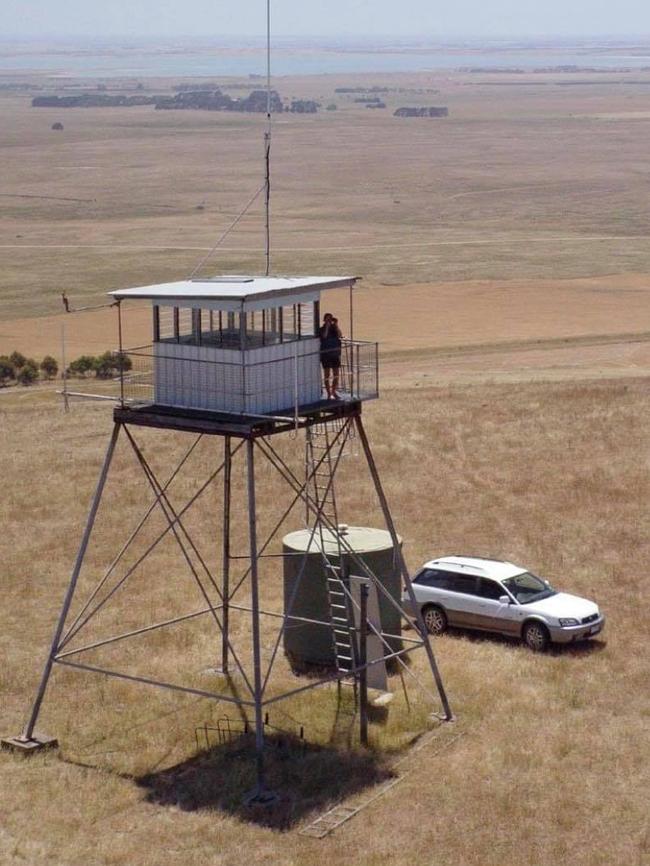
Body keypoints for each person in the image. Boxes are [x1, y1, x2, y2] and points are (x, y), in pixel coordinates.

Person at [319, 312, 342, 399]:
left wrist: (336, 325)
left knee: (336, 375)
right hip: (326, 355)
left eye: (330, 319)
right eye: (327, 319)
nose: (329, 321)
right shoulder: (321, 329)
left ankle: (334, 391)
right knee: (327, 375)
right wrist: (327, 327)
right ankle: (329, 393)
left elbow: (340, 335)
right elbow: (324, 336)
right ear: (324, 320)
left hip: (335, 354)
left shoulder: (334, 329)